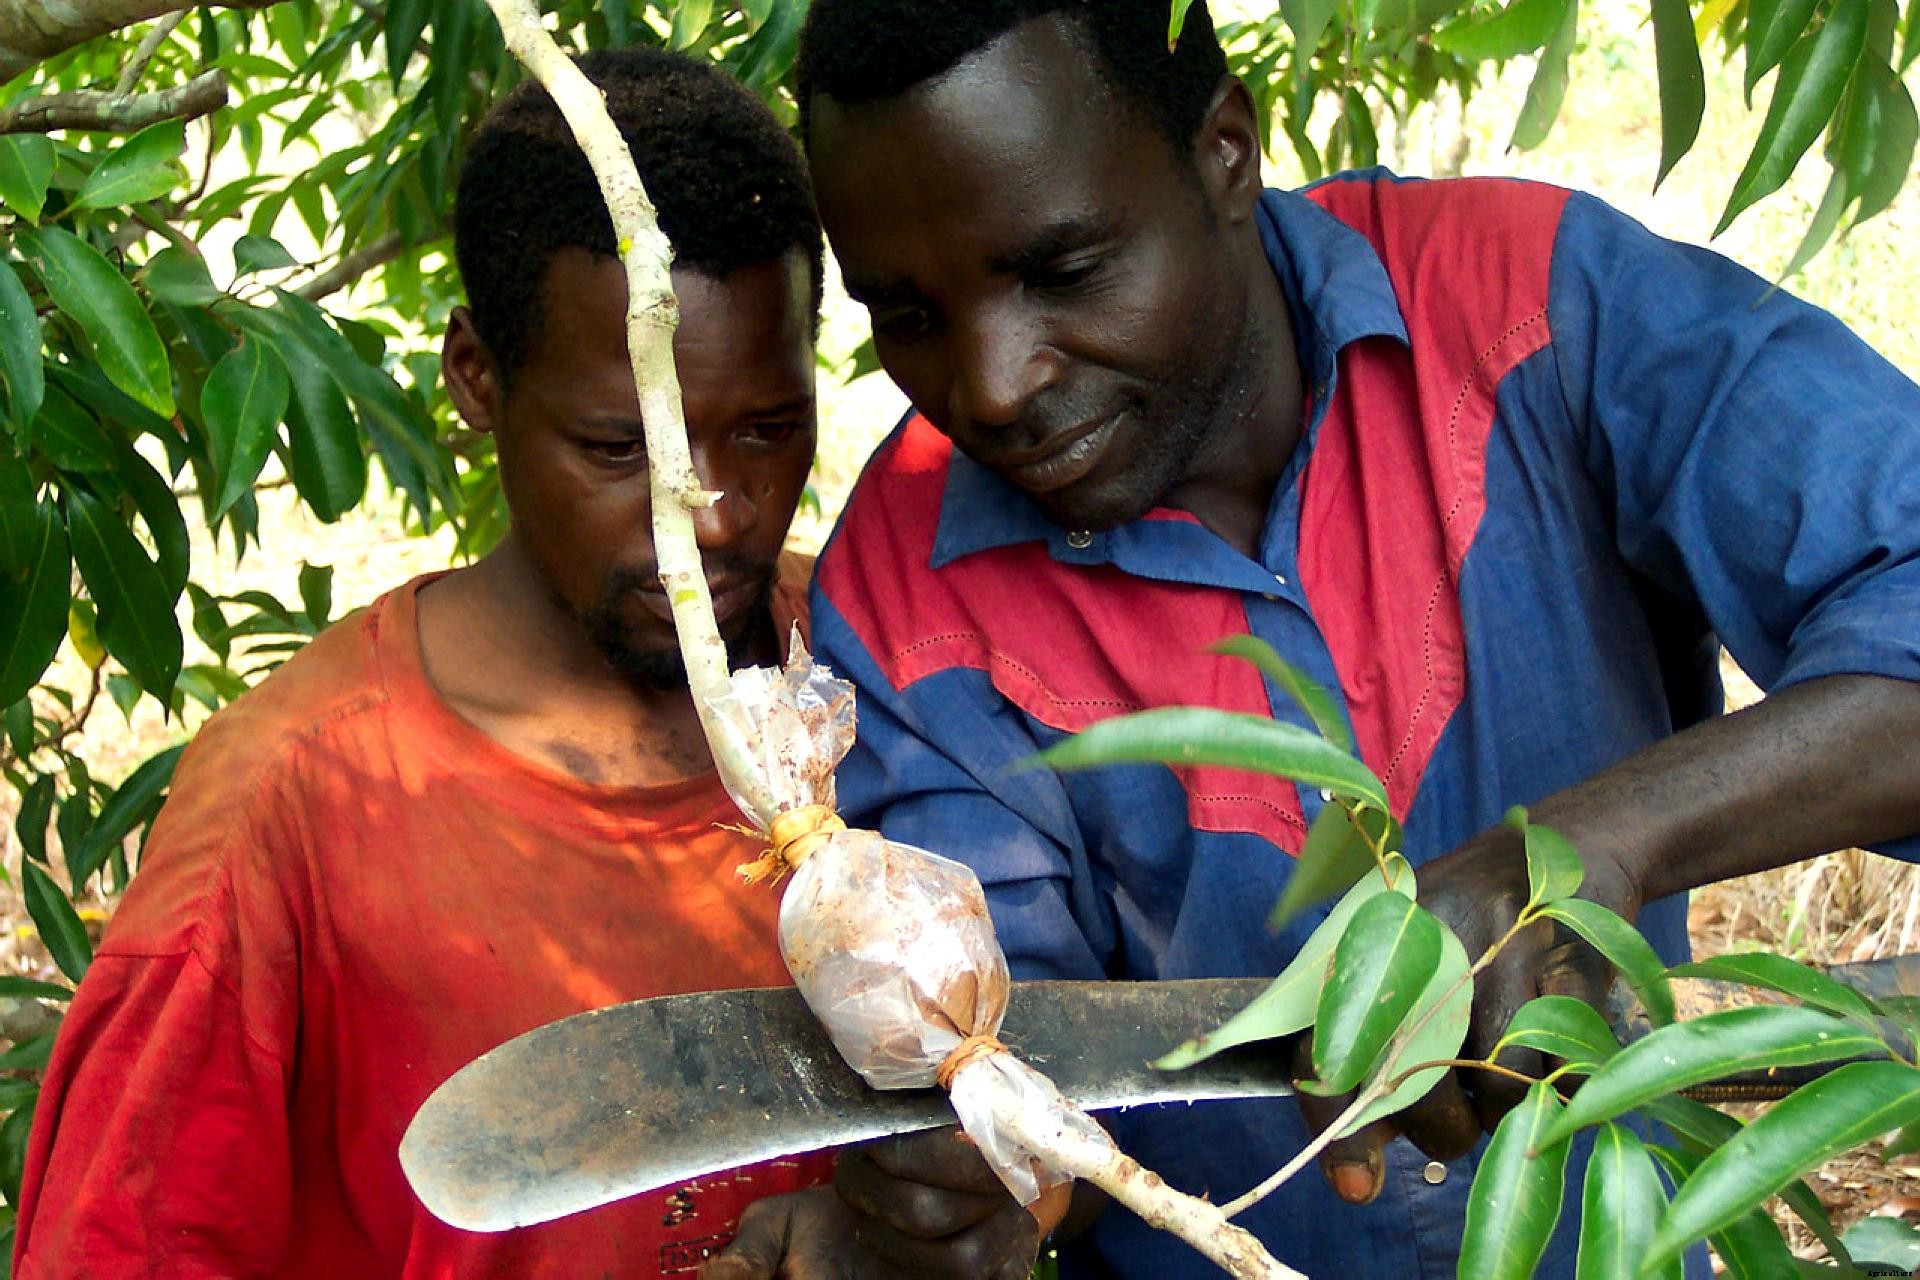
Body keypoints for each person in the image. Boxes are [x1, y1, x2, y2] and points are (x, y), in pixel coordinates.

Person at [708, 1, 1920, 1276]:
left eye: (1064, 272)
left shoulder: (1532, 313)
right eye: (906, 316)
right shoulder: (904, 607)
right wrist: (969, 1196)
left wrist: (1584, 847)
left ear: (1226, 152)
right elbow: (1011, 1071)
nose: (995, 384)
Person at [15, 47, 835, 1278]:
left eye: (767, 430)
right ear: (473, 378)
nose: (710, 516)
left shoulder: (881, 680)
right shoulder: (287, 812)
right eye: (620, 448)